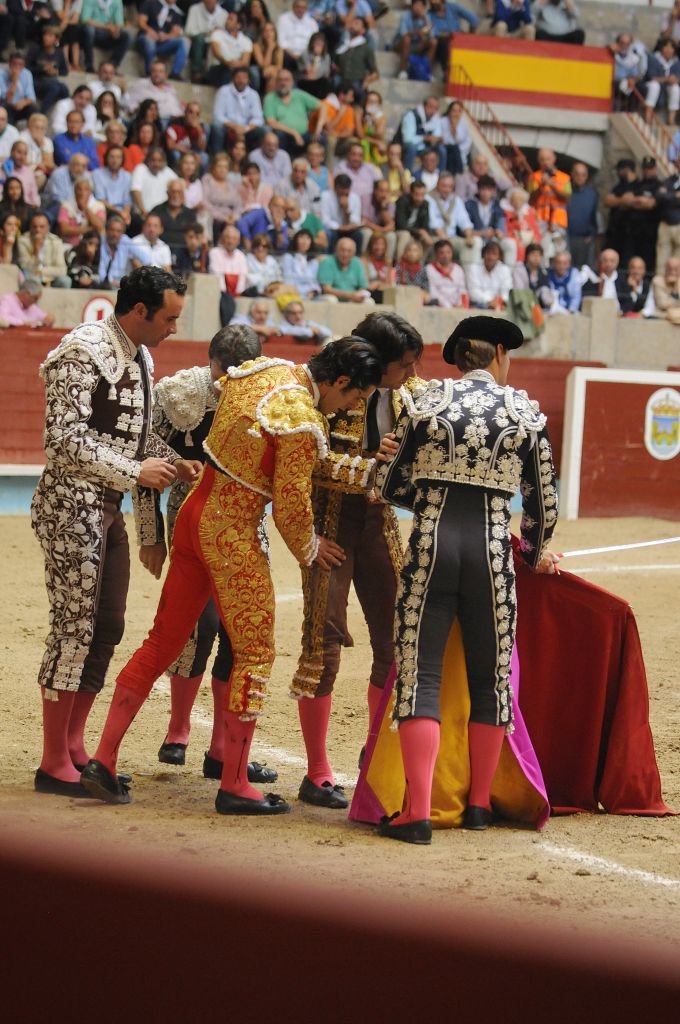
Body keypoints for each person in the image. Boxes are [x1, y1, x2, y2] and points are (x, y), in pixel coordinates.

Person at [80, 338, 383, 812]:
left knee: (163, 640)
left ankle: (103, 758)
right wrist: (310, 548)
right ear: (341, 381)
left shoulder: (263, 371)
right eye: (354, 396)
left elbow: (303, 461)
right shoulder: (302, 416)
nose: (352, 406)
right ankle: (236, 783)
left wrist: (367, 473)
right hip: (232, 533)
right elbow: (290, 504)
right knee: (256, 652)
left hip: (194, 514)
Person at [375, 315, 558, 843]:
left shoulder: (424, 402)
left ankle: (419, 814)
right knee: (489, 680)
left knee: (421, 677)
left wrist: (428, 499)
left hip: (431, 548)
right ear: (500, 352)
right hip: (492, 555)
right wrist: (532, 552)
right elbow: (543, 507)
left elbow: (387, 483)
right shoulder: (523, 411)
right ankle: (478, 805)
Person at [31, 268, 198, 799]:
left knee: (106, 625)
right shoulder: (82, 349)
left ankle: (76, 745)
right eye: (169, 317)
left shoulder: (141, 357)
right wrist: (134, 473)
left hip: (104, 505)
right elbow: (62, 439)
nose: (174, 327)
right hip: (67, 504)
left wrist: (174, 459)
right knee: (74, 626)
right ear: (140, 311)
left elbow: (138, 432)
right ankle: (53, 760)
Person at [131, 326, 278, 785]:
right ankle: (178, 728)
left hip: (247, 525)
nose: (225, 382)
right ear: (208, 359)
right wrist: (151, 535)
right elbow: (142, 464)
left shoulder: (272, 397)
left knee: (239, 632)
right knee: (199, 624)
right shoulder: (178, 395)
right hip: (190, 521)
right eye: (220, 371)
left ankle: (222, 748)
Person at [292, 311, 423, 808]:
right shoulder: (330, 386)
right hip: (330, 521)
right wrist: (373, 462)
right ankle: (318, 771)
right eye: (404, 365)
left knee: (395, 635)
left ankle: (376, 759)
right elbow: (310, 461)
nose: (411, 374)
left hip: (377, 521)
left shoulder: (408, 392)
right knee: (322, 640)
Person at [263, 68, 319, 157]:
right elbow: (271, 122)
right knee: (278, 135)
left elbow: (323, 106)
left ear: (292, 82)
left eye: (286, 80)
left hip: (305, 134)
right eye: (280, 80)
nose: (283, 83)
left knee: (321, 137)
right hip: (285, 135)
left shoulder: (299, 94)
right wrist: (293, 132)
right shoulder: (270, 98)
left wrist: (319, 127)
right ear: (276, 82)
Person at [211, 66, 264, 155]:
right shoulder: (223, 91)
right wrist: (235, 127)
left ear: (249, 80)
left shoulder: (254, 94)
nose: (241, 80)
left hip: (246, 130)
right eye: (238, 77)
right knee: (217, 126)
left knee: (264, 130)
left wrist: (245, 129)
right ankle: (218, 155)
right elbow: (218, 115)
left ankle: (254, 157)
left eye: (244, 78)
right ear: (233, 78)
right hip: (228, 128)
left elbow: (258, 119)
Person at [426, 171, 475, 265]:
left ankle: (469, 276)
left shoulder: (456, 200)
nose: (447, 189)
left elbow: (465, 221)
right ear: (437, 185)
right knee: (441, 247)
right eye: (444, 186)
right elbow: (433, 224)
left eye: (450, 187)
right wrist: (446, 241)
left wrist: (469, 237)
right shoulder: (429, 198)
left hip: (452, 238)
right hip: (435, 236)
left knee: (470, 245)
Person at [527, 148, 572, 246]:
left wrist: (553, 186)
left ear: (554, 159)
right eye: (542, 159)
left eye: (548, 159)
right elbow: (530, 200)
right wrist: (541, 186)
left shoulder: (564, 177)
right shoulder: (534, 177)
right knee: (540, 248)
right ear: (538, 161)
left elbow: (567, 198)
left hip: (558, 221)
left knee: (559, 250)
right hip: (539, 220)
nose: (545, 162)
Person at [17, 211, 71, 288]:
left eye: (41, 227)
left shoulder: (56, 241)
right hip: (31, 276)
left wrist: (41, 272)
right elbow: (25, 267)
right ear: (30, 227)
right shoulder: (23, 241)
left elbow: (62, 269)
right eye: (35, 226)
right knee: (35, 281)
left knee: (65, 281)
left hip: (51, 277)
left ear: (48, 227)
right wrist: (36, 250)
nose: (38, 230)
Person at [136, 0, 188, 79]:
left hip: (162, 43)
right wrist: (151, 31)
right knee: (149, 42)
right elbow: (141, 22)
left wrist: (166, 36)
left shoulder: (177, 12)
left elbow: (175, 32)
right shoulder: (150, 3)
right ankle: (150, 73)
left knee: (182, 41)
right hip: (145, 38)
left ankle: (175, 73)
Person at [209, 223, 248, 326]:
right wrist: (227, 293)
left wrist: (238, 293)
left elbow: (243, 277)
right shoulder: (214, 252)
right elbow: (217, 274)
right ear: (222, 239)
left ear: (238, 241)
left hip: (237, 292)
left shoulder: (241, 256)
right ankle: (230, 325)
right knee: (226, 299)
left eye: (234, 238)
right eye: (227, 237)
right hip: (221, 291)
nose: (230, 241)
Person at [98, 213, 151, 287]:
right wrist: (116, 283)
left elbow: (147, 259)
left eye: (119, 231)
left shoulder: (125, 240)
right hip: (102, 287)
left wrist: (135, 277)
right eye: (112, 230)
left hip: (122, 287)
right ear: (106, 230)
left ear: (122, 233)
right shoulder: (100, 242)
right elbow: (101, 276)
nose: (115, 234)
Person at [26, 23, 70, 113]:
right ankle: (42, 112)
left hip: (52, 81)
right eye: (45, 35)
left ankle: (67, 112)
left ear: (56, 39)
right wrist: (42, 69)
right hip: (37, 81)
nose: (46, 38)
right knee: (56, 88)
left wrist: (56, 72)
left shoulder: (59, 52)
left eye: (50, 35)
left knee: (64, 88)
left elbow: (65, 71)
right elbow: (26, 68)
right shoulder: (35, 50)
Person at [151, 179, 198, 258]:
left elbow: (194, 235)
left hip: (184, 254)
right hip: (159, 252)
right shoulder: (157, 211)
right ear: (167, 193)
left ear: (183, 194)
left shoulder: (190, 214)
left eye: (179, 192)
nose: (176, 195)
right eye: (173, 192)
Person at [396, 96, 443, 175]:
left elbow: (437, 134)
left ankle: (440, 176)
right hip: (410, 146)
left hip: (426, 147)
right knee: (412, 148)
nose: (433, 110)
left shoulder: (435, 118)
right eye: (430, 106)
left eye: (436, 108)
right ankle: (407, 175)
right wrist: (424, 138)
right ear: (424, 105)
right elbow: (408, 138)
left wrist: (437, 139)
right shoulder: (411, 115)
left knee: (442, 149)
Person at [318, 236, 373, 302]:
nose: (345, 254)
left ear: (354, 253)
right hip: (333, 297)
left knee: (368, 301)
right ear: (336, 250)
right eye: (342, 250)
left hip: (353, 298)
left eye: (349, 251)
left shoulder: (357, 262)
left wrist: (359, 295)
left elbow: (363, 286)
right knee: (331, 300)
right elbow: (326, 289)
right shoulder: (327, 262)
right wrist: (350, 295)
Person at [57, 175, 105, 249]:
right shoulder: (66, 206)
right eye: (79, 189)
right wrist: (90, 229)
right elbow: (64, 230)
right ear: (75, 191)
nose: (82, 193)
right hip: (69, 246)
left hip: (92, 248)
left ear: (90, 192)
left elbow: (100, 226)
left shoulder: (99, 206)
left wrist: (85, 207)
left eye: (86, 189)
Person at [79, 0, 129, 72]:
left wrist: (116, 31)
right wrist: (106, 27)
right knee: (89, 30)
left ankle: (113, 66)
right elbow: (85, 19)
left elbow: (119, 23)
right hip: (93, 31)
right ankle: (89, 65)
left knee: (126, 35)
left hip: (108, 33)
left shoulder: (117, 1)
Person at [566, 161, 599, 270]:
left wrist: (592, 234)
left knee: (585, 270)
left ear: (586, 177)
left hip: (585, 239)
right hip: (567, 238)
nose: (580, 177)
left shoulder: (592, 194)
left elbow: (595, 216)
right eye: (577, 174)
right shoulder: (565, 192)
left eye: (583, 175)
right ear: (572, 174)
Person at [130, 147, 178, 222]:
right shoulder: (141, 169)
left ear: (163, 161)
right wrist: (144, 212)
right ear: (148, 160)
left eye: (159, 161)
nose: (156, 164)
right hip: (142, 214)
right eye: (153, 160)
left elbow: (179, 184)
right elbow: (135, 191)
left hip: (163, 216)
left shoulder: (167, 171)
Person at [185, 0, 228, 82]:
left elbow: (223, 34)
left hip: (213, 42)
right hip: (197, 41)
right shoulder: (194, 9)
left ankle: (210, 74)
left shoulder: (223, 13)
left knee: (215, 43)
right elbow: (189, 30)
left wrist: (213, 34)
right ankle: (196, 71)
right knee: (199, 39)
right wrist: (206, 33)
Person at [209, 10, 254, 86]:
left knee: (251, 75)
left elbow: (245, 61)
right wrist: (228, 63)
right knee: (226, 70)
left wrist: (234, 64)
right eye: (227, 18)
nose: (227, 21)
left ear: (238, 25)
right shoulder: (218, 34)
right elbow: (216, 53)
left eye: (231, 19)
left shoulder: (246, 41)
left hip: (236, 69)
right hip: (218, 68)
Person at [394, 0, 436, 82]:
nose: (418, 8)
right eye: (416, 5)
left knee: (433, 42)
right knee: (407, 39)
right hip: (401, 43)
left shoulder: (426, 17)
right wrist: (417, 33)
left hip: (417, 45)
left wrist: (425, 21)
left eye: (420, 6)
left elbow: (431, 35)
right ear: (412, 6)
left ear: (424, 8)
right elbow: (403, 34)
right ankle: (403, 70)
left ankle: (426, 71)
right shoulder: (405, 15)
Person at [92, 144, 132, 225]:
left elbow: (127, 201)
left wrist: (126, 213)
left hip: (123, 211)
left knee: (137, 220)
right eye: (112, 157)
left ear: (122, 159)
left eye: (118, 157)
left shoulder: (127, 176)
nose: (115, 160)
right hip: (106, 210)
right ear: (106, 158)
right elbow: (101, 200)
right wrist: (120, 212)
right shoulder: (97, 174)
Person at [644, 39, 680, 126]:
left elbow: (678, 77)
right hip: (651, 84)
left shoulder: (676, 61)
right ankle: (648, 116)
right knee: (654, 86)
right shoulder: (654, 59)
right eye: (666, 46)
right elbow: (651, 76)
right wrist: (666, 79)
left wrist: (674, 80)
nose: (668, 49)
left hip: (667, 86)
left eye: (671, 47)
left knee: (675, 89)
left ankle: (671, 119)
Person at [395, 179, 433, 260]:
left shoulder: (425, 204)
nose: (419, 198)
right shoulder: (403, 201)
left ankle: (419, 266)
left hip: (415, 233)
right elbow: (400, 224)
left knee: (428, 240)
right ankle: (400, 266)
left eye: (422, 195)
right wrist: (418, 231)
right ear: (411, 193)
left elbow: (425, 226)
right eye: (417, 194)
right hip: (400, 231)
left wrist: (425, 234)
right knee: (405, 235)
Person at [424, 237, 467, 307]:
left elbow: (462, 290)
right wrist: (448, 306)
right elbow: (433, 292)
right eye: (441, 253)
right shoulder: (429, 269)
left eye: (448, 252)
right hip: (439, 306)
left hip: (458, 306)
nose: (445, 256)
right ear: (436, 254)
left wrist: (460, 304)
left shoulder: (458, 269)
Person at [277, 0, 317, 74]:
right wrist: (293, 55)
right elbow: (281, 41)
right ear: (293, 7)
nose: (300, 10)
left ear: (306, 9)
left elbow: (314, 41)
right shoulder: (283, 19)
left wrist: (303, 55)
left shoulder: (312, 22)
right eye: (298, 7)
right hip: (288, 53)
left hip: (306, 54)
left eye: (303, 8)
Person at [0, 51, 38, 125]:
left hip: (20, 106)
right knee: (6, 107)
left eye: (20, 65)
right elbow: (7, 99)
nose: (17, 67)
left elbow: (31, 98)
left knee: (33, 109)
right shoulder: (1, 74)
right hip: (6, 105)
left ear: (24, 65)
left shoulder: (27, 74)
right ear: (9, 64)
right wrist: (15, 81)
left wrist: (24, 102)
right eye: (15, 64)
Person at [280, 228, 321, 297]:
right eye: (301, 237)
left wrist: (313, 292)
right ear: (296, 240)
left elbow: (315, 282)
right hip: (293, 293)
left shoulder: (313, 261)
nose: (304, 241)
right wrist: (303, 292)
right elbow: (288, 281)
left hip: (311, 295)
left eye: (308, 238)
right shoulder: (288, 258)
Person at [252, 20, 284, 96]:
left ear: (275, 33)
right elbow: (262, 65)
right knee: (271, 72)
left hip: (272, 73)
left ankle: (268, 100)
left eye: (271, 30)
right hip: (259, 73)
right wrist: (270, 49)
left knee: (273, 73)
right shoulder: (256, 45)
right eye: (266, 31)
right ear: (262, 33)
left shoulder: (279, 48)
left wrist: (271, 69)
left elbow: (279, 66)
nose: (268, 33)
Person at [652, 255, 680, 319]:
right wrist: (671, 287)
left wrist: (674, 288)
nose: (672, 272)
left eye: (676, 269)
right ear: (666, 269)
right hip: (662, 318)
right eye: (670, 269)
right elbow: (663, 304)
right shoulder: (658, 281)